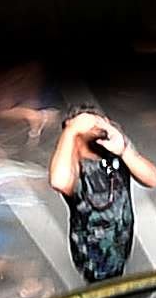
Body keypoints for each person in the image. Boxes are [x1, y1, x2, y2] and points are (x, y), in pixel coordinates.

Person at [50, 107, 146, 284]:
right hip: (92, 255)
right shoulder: (74, 167)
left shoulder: (113, 155)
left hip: (120, 245)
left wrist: (124, 149)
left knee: (117, 280)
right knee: (103, 289)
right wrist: (71, 131)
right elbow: (59, 181)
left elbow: (152, 178)